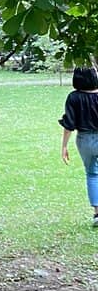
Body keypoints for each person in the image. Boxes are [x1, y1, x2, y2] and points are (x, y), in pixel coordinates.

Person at [59, 66, 98, 225]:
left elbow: (69, 124)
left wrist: (64, 146)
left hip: (84, 140)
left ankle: (97, 214)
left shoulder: (73, 97)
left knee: (92, 174)